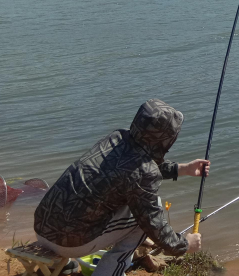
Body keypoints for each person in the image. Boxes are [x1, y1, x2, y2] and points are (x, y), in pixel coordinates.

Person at [34, 99, 209, 276]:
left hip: (41, 227)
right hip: (67, 244)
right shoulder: (144, 172)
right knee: (143, 220)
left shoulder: (117, 138)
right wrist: (185, 245)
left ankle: (61, 266)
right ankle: (108, 273)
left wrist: (182, 169)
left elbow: (134, 168)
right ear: (165, 139)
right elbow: (153, 224)